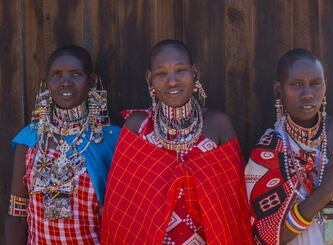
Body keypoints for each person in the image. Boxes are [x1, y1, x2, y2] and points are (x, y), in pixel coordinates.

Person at [101, 39, 252, 244]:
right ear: (149, 78)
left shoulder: (217, 125)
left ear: (195, 73)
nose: (172, 81)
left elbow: (232, 207)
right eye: (161, 73)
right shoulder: (137, 127)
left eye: (180, 70)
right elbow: (123, 209)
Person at [5, 45, 120, 244]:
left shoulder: (111, 139)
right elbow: (17, 215)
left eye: (76, 74)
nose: (66, 82)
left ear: (91, 82)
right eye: (56, 75)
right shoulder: (30, 140)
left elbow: (124, 217)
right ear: (46, 83)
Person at [245, 48, 333, 244]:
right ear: (278, 89)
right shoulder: (267, 151)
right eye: (296, 85)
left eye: (316, 84)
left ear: (325, 85)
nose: (307, 94)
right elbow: (271, 237)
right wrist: (326, 192)